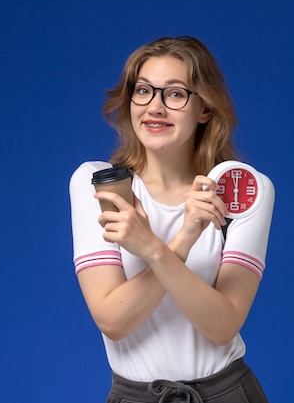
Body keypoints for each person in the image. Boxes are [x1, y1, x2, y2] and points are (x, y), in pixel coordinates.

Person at [69, 36, 275, 403]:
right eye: (143, 91)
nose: (155, 108)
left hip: (226, 394)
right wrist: (182, 239)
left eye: (176, 94)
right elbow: (113, 321)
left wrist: (153, 249)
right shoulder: (99, 184)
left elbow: (223, 325)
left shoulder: (241, 189)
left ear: (205, 109)